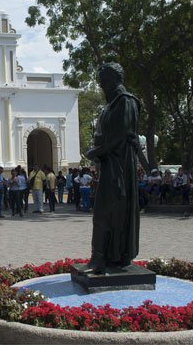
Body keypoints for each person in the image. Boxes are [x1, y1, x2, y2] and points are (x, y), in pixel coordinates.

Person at [85, 63, 141, 274]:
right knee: (103, 212)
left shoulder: (125, 101)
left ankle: (106, 257)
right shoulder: (111, 104)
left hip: (120, 166)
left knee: (110, 212)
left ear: (113, 79)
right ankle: (101, 256)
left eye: (103, 81)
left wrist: (96, 151)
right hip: (110, 164)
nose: (101, 85)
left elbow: (120, 135)